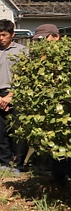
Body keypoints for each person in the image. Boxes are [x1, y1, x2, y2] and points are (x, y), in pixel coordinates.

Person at [0, 19, 27, 173]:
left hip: (17, 95)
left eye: (4, 35)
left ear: (12, 34)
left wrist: (11, 96)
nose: (1, 38)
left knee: (18, 130)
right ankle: (4, 162)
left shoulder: (22, 51)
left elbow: (24, 75)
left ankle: (17, 164)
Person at [31, 25, 69, 187]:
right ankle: (59, 179)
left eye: (44, 39)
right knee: (53, 144)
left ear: (56, 37)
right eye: (38, 40)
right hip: (49, 111)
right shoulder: (38, 59)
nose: (41, 43)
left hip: (65, 110)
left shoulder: (66, 56)